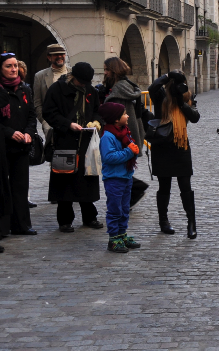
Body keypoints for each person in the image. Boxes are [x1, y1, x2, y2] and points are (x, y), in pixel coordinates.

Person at [42, 62, 104, 232]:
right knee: (64, 180)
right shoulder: (57, 89)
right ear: (73, 77)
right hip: (65, 140)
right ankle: (65, 220)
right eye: (81, 82)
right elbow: (48, 112)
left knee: (87, 180)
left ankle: (90, 217)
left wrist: (97, 122)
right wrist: (68, 124)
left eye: (86, 83)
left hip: (86, 142)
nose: (83, 85)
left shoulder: (91, 91)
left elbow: (98, 111)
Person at [148, 71, 200, 238]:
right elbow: (152, 87)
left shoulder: (186, 97)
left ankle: (191, 223)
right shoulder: (160, 97)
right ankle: (163, 221)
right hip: (163, 147)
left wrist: (181, 102)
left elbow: (195, 117)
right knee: (164, 187)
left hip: (181, 147)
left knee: (185, 186)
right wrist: (167, 75)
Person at [98, 57, 148, 207]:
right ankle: (130, 194)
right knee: (121, 167)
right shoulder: (126, 86)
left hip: (121, 134)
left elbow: (118, 117)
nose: (105, 73)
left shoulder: (120, 89)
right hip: (127, 133)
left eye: (107, 70)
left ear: (114, 71)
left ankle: (132, 192)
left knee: (117, 167)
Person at [0, 53, 37, 235]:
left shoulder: (25, 89)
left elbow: (32, 114)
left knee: (20, 186)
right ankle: (4, 226)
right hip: (3, 146)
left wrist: (29, 133)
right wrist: (9, 132)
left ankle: (21, 225)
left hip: (21, 145)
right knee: (3, 188)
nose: (13, 69)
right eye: (8, 66)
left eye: (15, 65)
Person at [98, 102, 141, 253]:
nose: (127, 115)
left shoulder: (124, 132)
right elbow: (108, 157)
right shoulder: (107, 137)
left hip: (126, 176)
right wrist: (129, 152)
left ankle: (122, 234)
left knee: (124, 209)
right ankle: (113, 238)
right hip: (114, 179)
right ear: (116, 119)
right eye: (124, 114)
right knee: (115, 209)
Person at [33, 44, 69, 145]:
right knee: (53, 153)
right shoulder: (40, 76)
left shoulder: (73, 73)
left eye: (62, 54)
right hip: (51, 122)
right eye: (56, 55)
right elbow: (37, 102)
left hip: (71, 121)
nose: (60, 56)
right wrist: (45, 122)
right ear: (49, 57)